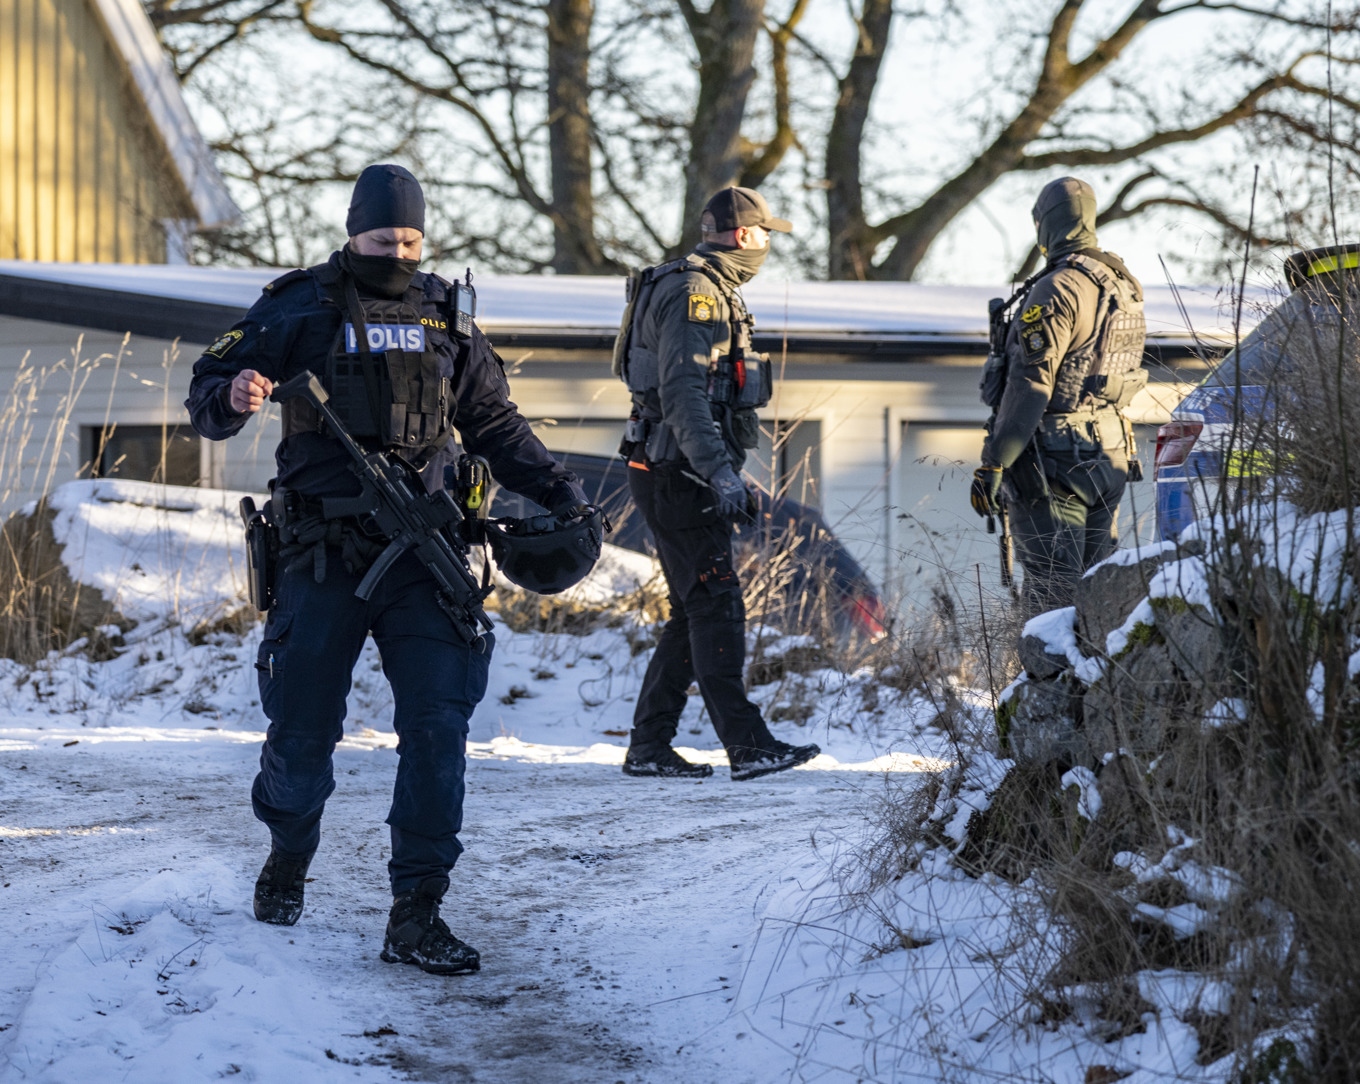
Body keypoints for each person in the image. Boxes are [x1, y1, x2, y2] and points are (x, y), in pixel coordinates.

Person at [185, 164, 587, 975]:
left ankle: (417, 912)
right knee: (301, 738)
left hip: (425, 557)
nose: (397, 254)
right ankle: (289, 849)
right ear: (352, 232)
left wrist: (559, 489)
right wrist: (233, 395)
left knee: (438, 730)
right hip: (323, 554)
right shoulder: (297, 305)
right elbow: (207, 390)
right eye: (381, 240)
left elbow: (494, 422)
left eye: (410, 241)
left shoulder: (446, 315)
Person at [614, 186, 821, 781]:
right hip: (678, 473)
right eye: (765, 235)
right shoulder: (696, 294)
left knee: (692, 608)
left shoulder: (699, 284)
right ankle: (748, 745)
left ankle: (649, 745)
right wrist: (720, 473)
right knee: (717, 603)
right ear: (745, 235)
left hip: (670, 467)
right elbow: (683, 393)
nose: (767, 246)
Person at [971, 176, 1147, 614]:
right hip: (1110, 453)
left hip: (1056, 462)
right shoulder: (1122, 284)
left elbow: (1032, 384)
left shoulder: (1058, 288)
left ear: (1045, 223)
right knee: (1098, 592)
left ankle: (1049, 663)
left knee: (1052, 594)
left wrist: (995, 461)